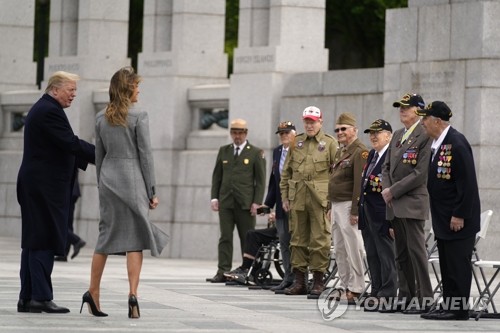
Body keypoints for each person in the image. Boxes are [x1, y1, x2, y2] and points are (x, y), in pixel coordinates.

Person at [82, 67, 169, 318]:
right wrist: (152, 190)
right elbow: (146, 155)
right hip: (133, 181)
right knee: (135, 241)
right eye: (136, 86)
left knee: (104, 238)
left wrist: (101, 186)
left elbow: (99, 157)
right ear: (127, 88)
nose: (139, 90)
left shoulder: (100, 117)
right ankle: (133, 295)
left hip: (109, 180)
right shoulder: (140, 114)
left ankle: (93, 291)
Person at [16, 71, 95, 314]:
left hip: (36, 185)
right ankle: (40, 297)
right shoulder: (49, 110)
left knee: (33, 241)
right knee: (44, 238)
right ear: (55, 89)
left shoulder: (44, 107)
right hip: (43, 187)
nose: (73, 95)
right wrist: (104, 155)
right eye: (70, 90)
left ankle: (28, 298)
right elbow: (70, 143)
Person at [417, 101, 480, 321]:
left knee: (457, 265)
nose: (422, 123)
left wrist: (459, 213)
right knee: (447, 264)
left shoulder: (457, 143)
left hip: (457, 220)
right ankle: (449, 304)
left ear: (436, 121)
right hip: (444, 218)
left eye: (425, 119)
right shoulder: (440, 145)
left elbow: (468, 183)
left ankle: (459, 309)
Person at [381, 93, 433, 314]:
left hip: (411, 202)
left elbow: (420, 173)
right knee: (400, 253)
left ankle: (425, 298)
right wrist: (386, 188)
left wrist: (393, 190)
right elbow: (385, 166)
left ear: (419, 110)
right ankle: (406, 295)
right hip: (394, 203)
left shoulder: (425, 134)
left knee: (416, 252)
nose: (402, 111)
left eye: (406, 107)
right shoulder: (398, 135)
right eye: (400, 107)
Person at [280, 106, 338, 296]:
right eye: (306, 121)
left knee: (320, 240)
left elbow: (335, 174)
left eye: (313, 121)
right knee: (297, 240)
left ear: (320, 121)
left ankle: (319, 281)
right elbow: (286, 172)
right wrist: (285, 196)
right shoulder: (296, 142)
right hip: (298, 198)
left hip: (320, 199)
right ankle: (299, 281)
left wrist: (331, 202)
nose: (309, 125)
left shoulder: (330, 143)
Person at [209, 119, 267, 283]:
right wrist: (215, 197)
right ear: (231, 134)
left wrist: (257, 202)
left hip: (246, 204)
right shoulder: (224, 151)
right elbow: (217, 177)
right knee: (225, 237)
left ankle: (248, 271)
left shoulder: (256, 152)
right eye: (234, 133)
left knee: (247, 238)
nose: (237, 136)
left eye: (240, 133)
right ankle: (223, 270)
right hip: (226, 202)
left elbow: (260, 181)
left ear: (246, 133)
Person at [327, 112, 368, 303]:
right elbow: (333, 179)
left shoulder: (359, 151)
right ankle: (344, 285)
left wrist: (355, 209)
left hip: (347, 205)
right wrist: (329, 205)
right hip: (336, 205)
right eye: (337, 129)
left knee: (353, 247)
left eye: (344, 129)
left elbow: (359, 183)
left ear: (354, 130)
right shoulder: (341, 151)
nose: (340, 132)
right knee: (340, 248)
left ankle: (357, 286)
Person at [358, 119, 397, 310]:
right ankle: (376, 290)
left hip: (383, 213)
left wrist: (392, 220)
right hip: (368, 212)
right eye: (370, 133)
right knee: (372, 254)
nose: (373, 136)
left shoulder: (392, 154)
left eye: (377, 132)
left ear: (389, 135)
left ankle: (388, 294)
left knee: (386, 255)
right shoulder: (372, 154)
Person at [259, 121, 296, 292]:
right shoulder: (277, 152)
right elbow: (274, 182)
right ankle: (288, 277)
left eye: (287, 132)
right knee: (283, 241)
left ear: (294, 133)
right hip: (282, 205)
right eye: (281, 133)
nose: (284, 136)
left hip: (297, 204)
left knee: (298, 243)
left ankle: (299, 278)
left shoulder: (300, 150)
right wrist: (268, 204)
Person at [224, 214, 278, 284]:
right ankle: (248, 269)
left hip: (284, 229)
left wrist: (278, 216)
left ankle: (246, 268)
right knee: (251, 234)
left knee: (252, 235)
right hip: (281, 228)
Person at [54, 174, 86, 262]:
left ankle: (76, 240)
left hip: (66, 189)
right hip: (71, 189)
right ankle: (64, 253)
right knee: (67, 223)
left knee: (57, 223)